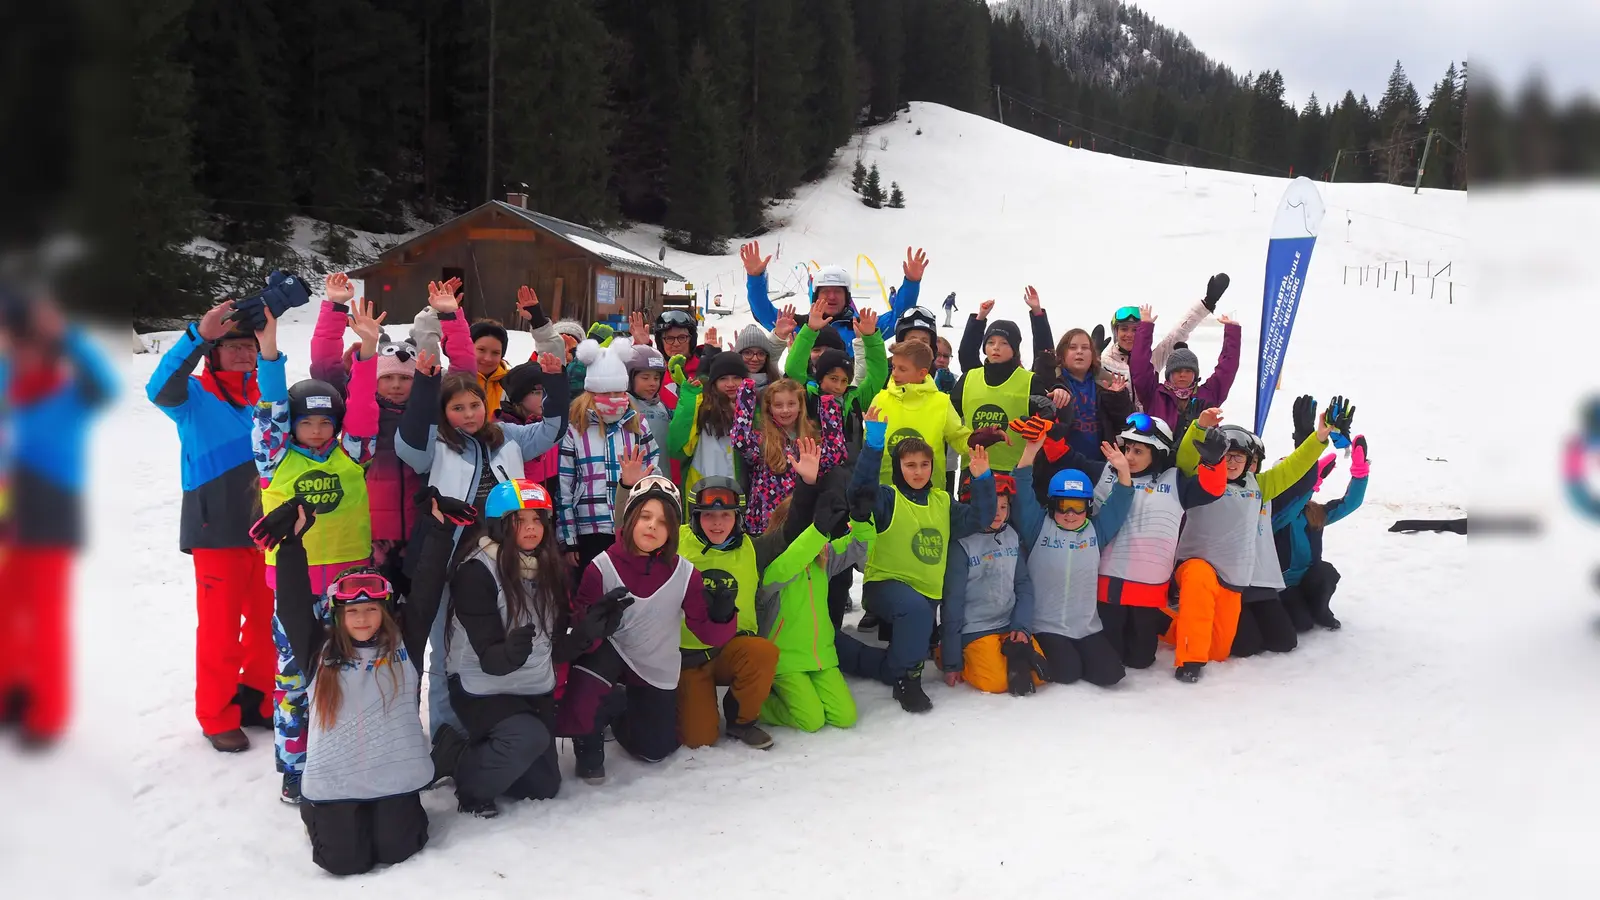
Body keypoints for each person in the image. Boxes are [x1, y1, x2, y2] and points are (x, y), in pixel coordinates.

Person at [393, 348, 569, 739]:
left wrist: (557, 383)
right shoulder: (433, 445)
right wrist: (423, 384)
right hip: (444, 560)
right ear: (444, 413)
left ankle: (489, 727)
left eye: (474, 405)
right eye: (457, 408)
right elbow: (406, 445)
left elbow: (552, 429)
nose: (469, 415)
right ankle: (445, 735)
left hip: (499, 561)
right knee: (444, 651)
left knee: (492, 642)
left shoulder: (507, 438)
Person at [267, 500, 440, 877]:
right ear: (338, 616)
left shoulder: (403, 645)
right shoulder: (319, 651)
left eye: (372, 609)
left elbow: (426, 592)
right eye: (353, 611)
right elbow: (294, 605)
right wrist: (291, 545)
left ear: (386, 612)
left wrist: (439, 531)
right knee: (343, 862)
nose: (363, 618)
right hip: (336, 781)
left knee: (399, 850)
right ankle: (316, 811)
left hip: (392, 777)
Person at [252, 302, 381, 802]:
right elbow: (269, 407)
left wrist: (367, 353)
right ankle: (294, 764)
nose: (319, 431)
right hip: (294, 589)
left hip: (349, 588)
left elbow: (365, 415)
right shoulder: (273, 456)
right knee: (293, 680)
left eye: (327, 423)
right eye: (308, 423)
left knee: (352, 674)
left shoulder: (354, 455)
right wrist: (269, 350)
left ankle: (347, 752)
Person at [146, 298, 276, 752]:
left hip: (267, 532)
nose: (243, 353)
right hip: (215, 531)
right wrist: (195, 336)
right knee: (220, 630)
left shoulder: (266, 395)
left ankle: (259, 698)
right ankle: (217, 714)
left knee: (265, 623)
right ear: (214, 353)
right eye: (232, 346)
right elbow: (158, 388)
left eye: (248, 346)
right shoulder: (193, 398)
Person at [429, 480, 597, 818]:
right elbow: (489, 658)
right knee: (527, 737)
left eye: (538, 520)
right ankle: (469, 783)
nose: (532, 529)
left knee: (543, 788)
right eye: (520, 520)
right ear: (501, 524)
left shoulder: (548, 567)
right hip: (482, 689)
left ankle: (475, 750)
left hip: (531, 686)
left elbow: (553, 648)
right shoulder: (477, 570)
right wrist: (509, 653)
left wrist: (587, 633)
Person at [556, 476, 736, 783]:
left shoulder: (685, 574)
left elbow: (705, 633)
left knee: (655, 751)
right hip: (610, 655)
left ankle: (620, 707)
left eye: (663, 522)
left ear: (673, 531)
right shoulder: (601, 566)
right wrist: (589, 624)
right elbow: (577, 632)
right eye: (645, 516)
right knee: (588, 675)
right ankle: (588, 738)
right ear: (630, 519)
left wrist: (723, 616)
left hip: (654, 662)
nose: (653, 526)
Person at [0, 298, 115, 746]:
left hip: (50, 515)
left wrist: (65, 332)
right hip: (8, 514)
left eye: (34, 346)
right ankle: (10, 693)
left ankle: (46, 715)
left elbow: (105, 385)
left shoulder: (71, 394)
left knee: (45, 618)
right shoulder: (8, 387)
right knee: (7, 612)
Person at [836, 408, 997, 713]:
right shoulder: (887, 497)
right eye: (910, 465)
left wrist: (983, 479)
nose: (919, 471)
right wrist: (873, 444)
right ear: (898, 468)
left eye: (925, 464)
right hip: (885, 585)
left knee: (911, 633)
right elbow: (860, 493)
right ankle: (907, 681)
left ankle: (849, 654)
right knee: (915, 613)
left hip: (926, 595)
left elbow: (981, 518)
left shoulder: (942, 501)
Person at [1166, 410, 1330, 682]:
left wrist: (1318, 438)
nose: (1231, 462)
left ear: (1248, 461)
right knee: (1199, 583)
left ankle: (1164, 624)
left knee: (1218, 650)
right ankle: (1189, 662)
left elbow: (1293, 469)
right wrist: (1200, 427)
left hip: (1233, 577)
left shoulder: (1259, 485)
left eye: (1238, 457)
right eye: (1226, 455)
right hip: (1196, 567)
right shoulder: (1201, 480)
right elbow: (1185, 459)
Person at [1092, 412, 1227, 670]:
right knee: (1111, 654)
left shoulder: (1174, 480)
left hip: (1148, 590)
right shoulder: (1110, 471)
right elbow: (1067, 459)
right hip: (1108, 586)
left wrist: (1213, 463)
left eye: (1138, 451)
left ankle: (1169, 627)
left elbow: (1211, 490)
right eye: (1128, 448)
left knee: (1141, 659)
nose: (1129, 456)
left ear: (1158, 452)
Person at [1010, 439, 1135, 687]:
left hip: (1086, 626)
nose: (1070, 514)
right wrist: (1031, 451)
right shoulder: (1037, 527)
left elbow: (1119, 504)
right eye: (1063, 506)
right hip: (1046, 624)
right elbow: (1022, 491)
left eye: (1077, 507)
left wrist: (1123, 470)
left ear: (1088, 507)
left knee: (1111, 675)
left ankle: (1078, 655)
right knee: (1067, 673)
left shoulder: (1096, 531)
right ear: (1051, 505)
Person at [756, 466, 873, 732]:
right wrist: (817, 531)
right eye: (808, 528)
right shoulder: (773, 567)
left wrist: (863, 519)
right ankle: (757, 703)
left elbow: (859, 546)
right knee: (811, 719)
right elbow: (792, 560)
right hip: (784, 660)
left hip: (821, 656)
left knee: (845, 716)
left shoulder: (824, 560)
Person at [558, 339, 661, 577]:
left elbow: (654, 468)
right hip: (589, 527)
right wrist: (569, 539)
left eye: (619, 392)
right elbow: (565, 487)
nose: (614, 398)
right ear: (591, 393)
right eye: (606, 393)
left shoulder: (637, 424)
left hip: (630, 524)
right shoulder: (576, 429)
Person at [938, 472, 1042, 695]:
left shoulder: (1012, 536)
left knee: (1039, 676)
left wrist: (1021, 627)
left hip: (1008, 624)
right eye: (992, 507)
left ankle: (1006, 652)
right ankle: (942, 651)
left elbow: (1023, 585)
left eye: (1004, 507)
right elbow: (952, 604)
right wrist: (951, 662)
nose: (998, 514)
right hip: (975, 628)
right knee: (995, 683)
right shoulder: (961, 545)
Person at [741, 242, 930, 357]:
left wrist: (912, 282)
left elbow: (899, 317)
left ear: (847, 297)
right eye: (826, 292)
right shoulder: (798, 325)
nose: (831, 297)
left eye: (838, 292)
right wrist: (755, 278)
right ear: (816, 296)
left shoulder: (863, 327)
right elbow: (763, 312)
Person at [1275, 423, 1370, 632]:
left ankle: (1319, 608)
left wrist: (1360, 473)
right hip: (1280, 586)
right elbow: (1289, 510)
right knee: (1302, 625)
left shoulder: (1314, 513)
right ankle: (1298, 610)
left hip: (1307, 579)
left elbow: (1349, 503)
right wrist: (1310, 485)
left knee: (1326, 572)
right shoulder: (1271, 514)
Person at [1097, 273, 1229, 413]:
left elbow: (1177, 334)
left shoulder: (1153, 359)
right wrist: (1093, 360)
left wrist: (1206, 304)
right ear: (1115, 331)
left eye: (1135, 330)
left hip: (1147, 430)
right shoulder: (1104, 361)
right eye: (1124, 329)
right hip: (1115, 431)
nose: (1129, 335)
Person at [732, 377, 846, 535]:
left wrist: (829, 409)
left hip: (803, 520)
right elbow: (740, 441)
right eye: (778, 405)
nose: (785, 410)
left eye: (791, 404)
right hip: (765, 523)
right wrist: (746, 393)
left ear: (800, 406)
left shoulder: (811, 439)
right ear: (769, 408)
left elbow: (836, 455)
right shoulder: (762, 440)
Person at [1128, 303, 1242, 437]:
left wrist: (1232, 331)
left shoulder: (1209, 395)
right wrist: (1145, 327)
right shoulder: (1154, 395)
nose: (1182, 375)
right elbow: (1139, 367)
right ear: (1168, 375)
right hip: (1161, 456)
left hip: (1199, 457)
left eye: (1188, 371)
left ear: (1195, 374)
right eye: (1177, 371)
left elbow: (1227, 368)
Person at [785, 305, 885, 452]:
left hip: (853, 471)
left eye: (844, 380)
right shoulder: (808, 394)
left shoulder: (855, 399)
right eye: (833, 379)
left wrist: (870, 339)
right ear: (820, 378)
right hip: (814, 471)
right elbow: (793, 369)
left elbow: (878, 373)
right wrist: (810, 330)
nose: (838, 386)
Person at [1035, 326, 1132, 464]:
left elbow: (1123, 424)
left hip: (1101, 466)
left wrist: (1116, 398)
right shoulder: (1052, 382)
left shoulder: (1106, 384)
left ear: (1093, 355)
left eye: (1085, 347)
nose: (1079, 351)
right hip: (1061, 465)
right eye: (1073, 347)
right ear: (1062, 355)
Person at [667, 350, 749, 496]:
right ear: (714, 382)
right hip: (703, 490)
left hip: (740, 494)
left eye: (736, 377)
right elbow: (676, 447)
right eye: (723, 378)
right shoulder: (701, 408)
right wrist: (689, 399)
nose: (730, 384)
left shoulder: (753, 409)